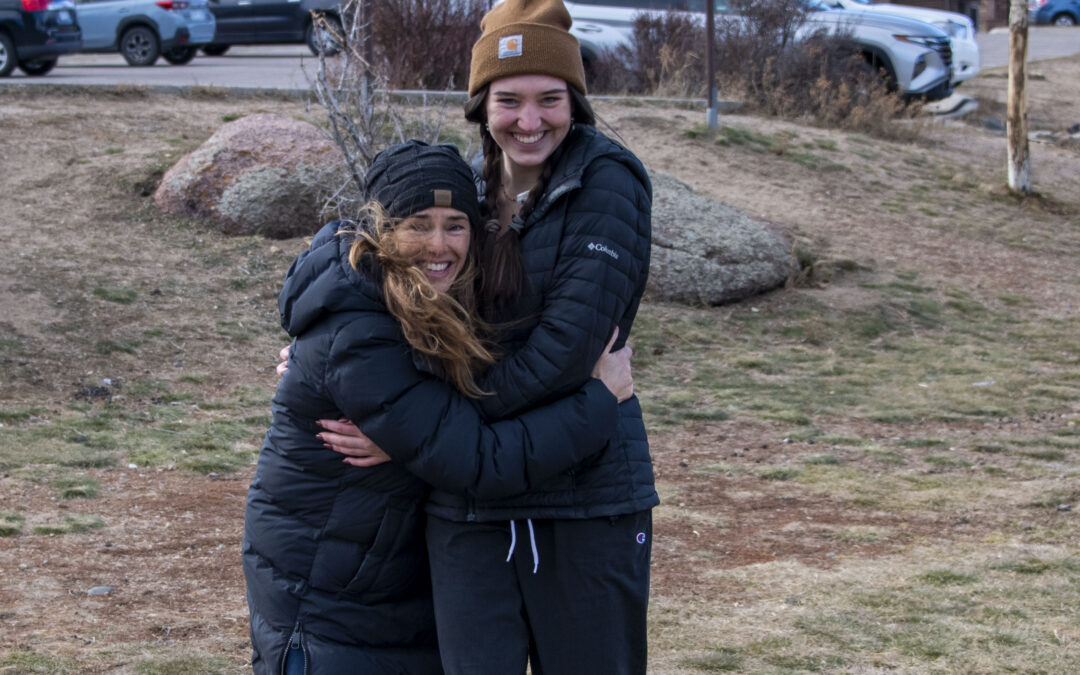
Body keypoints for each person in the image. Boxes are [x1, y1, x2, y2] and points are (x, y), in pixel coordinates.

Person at [316, 1, 657, 671]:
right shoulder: (462, 193)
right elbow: (389, 290)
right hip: (466, 504)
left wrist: (418, 430)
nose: (529, 121)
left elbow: (565, 357)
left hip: (581, 498)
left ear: (576, 102)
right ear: (481, 105)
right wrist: (326, 359)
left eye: (550, 99)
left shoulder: (606, 181)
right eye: (509, 100)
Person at [244, 141, 635, 675]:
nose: (439, 243)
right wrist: (598, 401)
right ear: (380, 228)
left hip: (375, 592)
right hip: (328, 614)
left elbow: (437, 421)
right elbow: (479, 460)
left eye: (456, 225)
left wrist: (405, 446)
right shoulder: (362, 330)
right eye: (418, 224)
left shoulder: (413, 309)